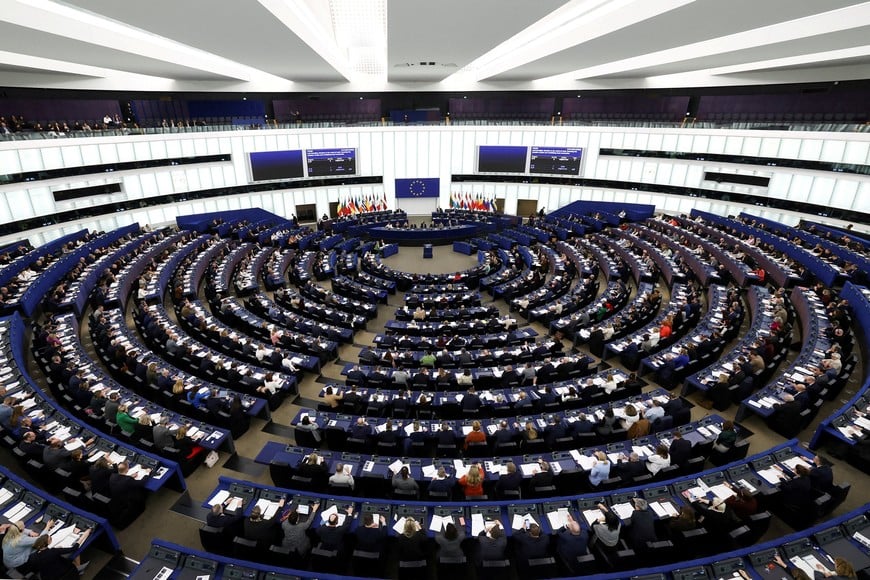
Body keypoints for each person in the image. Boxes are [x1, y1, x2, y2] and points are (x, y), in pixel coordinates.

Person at [28, 526, 93, 579]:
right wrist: (83, 537)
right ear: (47, 543)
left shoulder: (32, 556)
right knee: (71, 558)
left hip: (47, 577)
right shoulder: (53, 551)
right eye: (51, 538)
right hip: (63, 574)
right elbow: (73, 548)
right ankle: (78, 569)